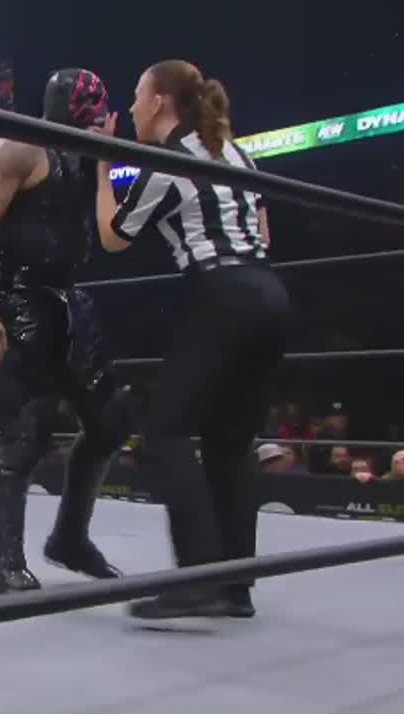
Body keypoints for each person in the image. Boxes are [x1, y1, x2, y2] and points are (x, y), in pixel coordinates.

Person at [94, 60, 291, 620]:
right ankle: (235, 585)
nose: (132, 107)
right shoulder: (236, 152)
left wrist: (103, 168)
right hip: (270, 293)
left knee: (166, 429)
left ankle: (198, 575)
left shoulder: (168, 159)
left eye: (138, 95)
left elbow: (114, 237)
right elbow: (263, 228)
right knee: (230, 442)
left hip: (223, 293)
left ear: (159, 101)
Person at [0, 68, 134, 595]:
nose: (97, 115)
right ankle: (6, 564)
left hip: (68, 300)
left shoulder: (84, 157)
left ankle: (70, 539)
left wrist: (104, 160)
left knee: (110, 420)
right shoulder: (18, 148)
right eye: (89, 106)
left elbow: (104, 232)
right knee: (26, 435)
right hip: (17, 298)